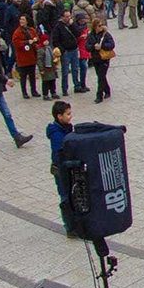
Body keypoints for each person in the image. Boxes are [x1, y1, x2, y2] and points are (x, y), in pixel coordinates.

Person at [46, 100, 82, 237]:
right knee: (65, 198)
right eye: (68, 114)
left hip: (67, 168)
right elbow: (59, 153)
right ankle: (70, 227)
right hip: (62, 170)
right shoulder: (57, 133)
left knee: (72, 196)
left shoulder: (66, 128)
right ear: (59, 116)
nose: (70, 116)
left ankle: (75, 223)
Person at [87, 19, 115, 102]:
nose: (101, 27)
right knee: (100, 76)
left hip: (104, 59)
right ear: (94, 27)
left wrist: (102, 46)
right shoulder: (91, 35)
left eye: (102, 25)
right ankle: (107, 90)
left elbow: (112, 44)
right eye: (99, 25)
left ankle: (99, 95)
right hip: (95, 58)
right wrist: (93, 46)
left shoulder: (106, 34)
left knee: (101, 76)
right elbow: (87, 46)